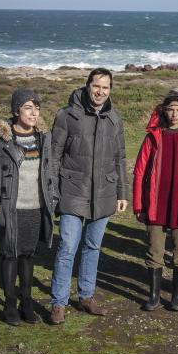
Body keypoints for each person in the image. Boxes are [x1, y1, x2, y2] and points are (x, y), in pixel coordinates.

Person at [49, 68, 129, 325]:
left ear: (110, 90)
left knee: (93, 247)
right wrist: (52, 192)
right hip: (72, 191)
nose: (100, 92)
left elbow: (120, 159)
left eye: (106, 87)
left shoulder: (115, 119)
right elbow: (54, 156)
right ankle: (58, 303)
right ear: (87, 85)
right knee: (67, 247)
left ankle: (86, 296)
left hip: (104, 192)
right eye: (97, 86)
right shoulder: (67, 115)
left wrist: (122, 192)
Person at [0, 89, 56, 326]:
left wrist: (53, 198)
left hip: (35, 208)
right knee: (9, 255)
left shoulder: (44, 136)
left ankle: (27, 302)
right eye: (28, 108)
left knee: (27, 255)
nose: (34, 113)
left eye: (37, 108)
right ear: (16, 110)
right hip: (9, 209)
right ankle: (9, 304)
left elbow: (49, 170)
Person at [133, 91, 178, 312]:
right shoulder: (153, 136)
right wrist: (138, 205)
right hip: (155, 203)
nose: (174, 114)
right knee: (155, 250)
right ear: (164, 110)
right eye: (171, 109)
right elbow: (139, 172)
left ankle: (177, 297)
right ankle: (153, 296)